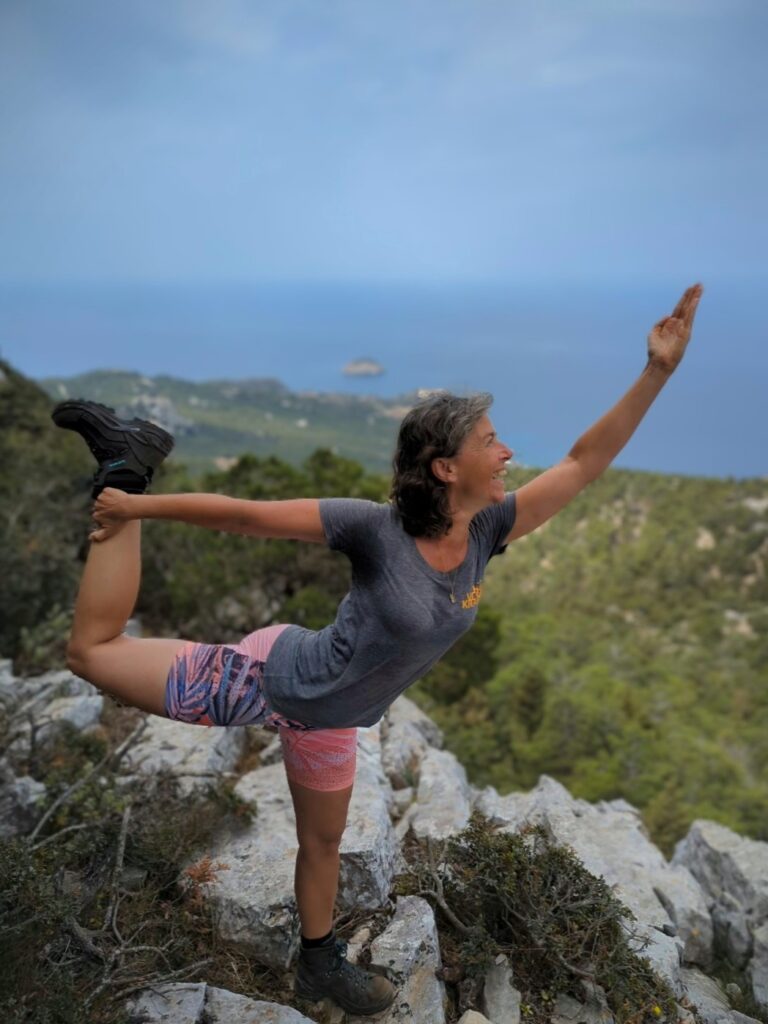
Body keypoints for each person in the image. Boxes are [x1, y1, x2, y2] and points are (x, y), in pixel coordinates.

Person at [51, 282, 702, 1016]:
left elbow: (584, 463)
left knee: (323, 846)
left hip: (332, 722)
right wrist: (139, 505)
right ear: (445, 467)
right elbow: (246, 516)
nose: (509, 450)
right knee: (90, 654)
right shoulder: (375, 529)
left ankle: (319, 965)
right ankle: (126, 467)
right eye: (491, 441)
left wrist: (656, 372)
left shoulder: (488, 533)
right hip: (270, 682)